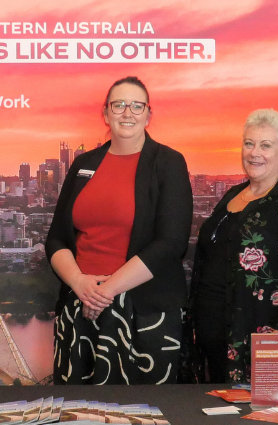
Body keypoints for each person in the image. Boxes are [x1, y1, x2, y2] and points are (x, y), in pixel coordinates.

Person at [46, 76, 193, 385]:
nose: (128, 113)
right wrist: (80, 285)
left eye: (137, 106)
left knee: (141, 409)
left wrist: (106, 291)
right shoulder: (84, 164)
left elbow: (172, 243)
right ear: (105, 113)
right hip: (81, 307)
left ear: (149, 115)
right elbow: (57, 238)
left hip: (143, 316)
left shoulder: (168, 163)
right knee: (78, 411)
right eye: (119, 105)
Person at [182, 109, 278, 384]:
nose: (254, 153)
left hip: (262, 343)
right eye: (249, 143)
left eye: (266, 145)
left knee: (260, 416)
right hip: (215, 338)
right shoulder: (232, 194)